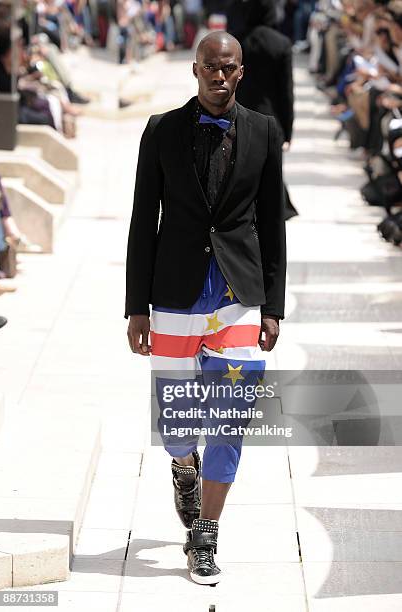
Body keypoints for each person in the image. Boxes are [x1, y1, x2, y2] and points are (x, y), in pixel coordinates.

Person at [124, 30, 286, 585]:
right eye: (211, 68)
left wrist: (273, 306)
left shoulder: (264, 132)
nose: (220, 77)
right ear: (195, 69)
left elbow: (271, 226)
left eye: (230, 69)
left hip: (238, 293)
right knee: (179, 421)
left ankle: (206, 534)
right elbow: (144, 220)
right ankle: (182, 467)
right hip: (174, 291)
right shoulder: (161, 130)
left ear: (241, 72)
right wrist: (135, 307)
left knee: (232, 416)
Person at [228, 0, 298, 220]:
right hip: (271, 121)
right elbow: (286, 93)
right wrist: (287, 130)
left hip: (238, 117)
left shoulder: (234, 42)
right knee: (271, 178)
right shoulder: (281, 44)